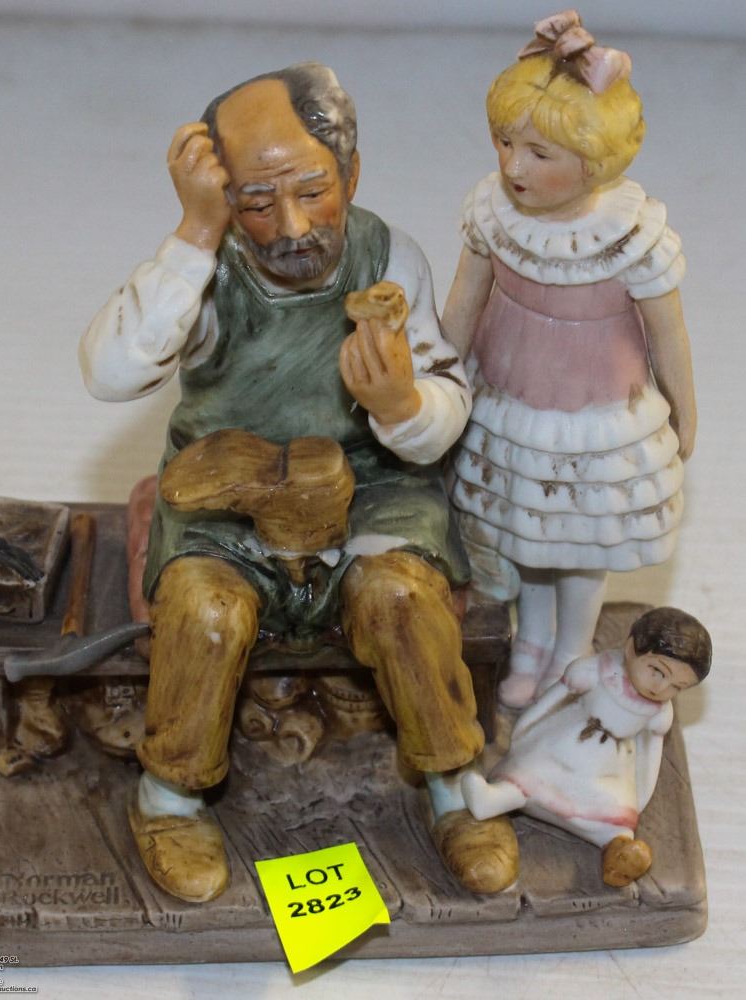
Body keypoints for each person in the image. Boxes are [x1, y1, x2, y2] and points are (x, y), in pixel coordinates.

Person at [80, 63, 517, 902]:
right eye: (255, 203)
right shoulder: (206, 272)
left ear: (350, 172)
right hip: (227, 495)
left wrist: (400, 405)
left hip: (370, 485)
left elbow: (446, 405)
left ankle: (455, 785)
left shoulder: (390, 259)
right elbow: (109, 372)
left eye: (313, 192)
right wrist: (193, 237)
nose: (289, 227)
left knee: (403, 598)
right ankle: (171, 796)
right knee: (206, 613)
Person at [442, 11, 697, 709]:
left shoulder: (630, 235)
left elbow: (668, 333)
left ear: (595, 161)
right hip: (510, 399)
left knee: (583, 543)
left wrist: (684, 411)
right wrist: (441, 379)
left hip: (597, 414)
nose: (512, 166)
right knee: (526, 527)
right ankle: (530, 640)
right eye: (504, 142)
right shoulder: (493, 214)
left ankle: (571, 647)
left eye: (539, 153)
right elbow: (462, 304)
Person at [461, 607, 711, 887]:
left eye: (677, 686)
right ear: (631, 648)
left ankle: (618, 850)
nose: (661, 688)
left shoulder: (658, 713)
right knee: (532, 772)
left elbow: (649, 756)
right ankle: (492, 799)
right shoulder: (598, 671)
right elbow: (552, 700)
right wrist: (524, 730)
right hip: (565, 745)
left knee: (615, 814)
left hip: (607, 769)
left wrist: (638, 799)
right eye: (657, 671)